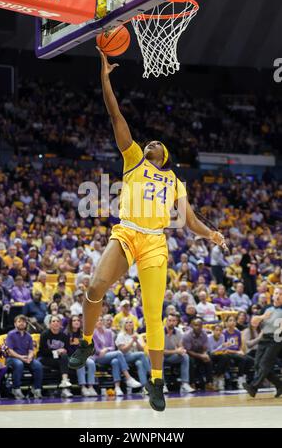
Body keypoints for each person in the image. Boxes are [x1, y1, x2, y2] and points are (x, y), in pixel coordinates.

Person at [69, 49, 228, 412]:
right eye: (150, 141)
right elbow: (115, 114)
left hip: (155, 243)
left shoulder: (174, 180)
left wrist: (211, 234)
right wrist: (105, 77)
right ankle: (86, 340)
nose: (152, 142)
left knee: (153, 313)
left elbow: (188, 220)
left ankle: (156, 384)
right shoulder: (134, 158)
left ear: (166, 155)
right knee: (95, 286)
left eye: (158, 143)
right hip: (127, 232)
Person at [243, 288, 282, 398]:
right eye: (276, 293)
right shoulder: (266, 308)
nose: (278, 296)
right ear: (273, 295)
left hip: (277, 339)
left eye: (281, 294)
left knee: (264, 364)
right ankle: (280, 385)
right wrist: (262, 317)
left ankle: (253, 387)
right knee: (257, 365)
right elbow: (253, 323)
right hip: (264, 338)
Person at [93, 316, 141, 396]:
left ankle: (117, 387)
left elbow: (112, 346)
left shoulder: (109, 332)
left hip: (109, 354)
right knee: (119, 353)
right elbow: (95, 350)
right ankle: (128, 378)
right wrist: (102, 351)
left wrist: (106, 349)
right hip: (99, 357)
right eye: (97, 320)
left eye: (101, 320)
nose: (100, 322)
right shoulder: (92, 333)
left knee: (115, 361)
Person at [6, 315, 43, 399]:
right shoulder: (11, 334)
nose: (22, 323)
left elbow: (31, 350)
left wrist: (29, 357)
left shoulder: (29, 336)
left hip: (25, 358)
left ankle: (37, 389)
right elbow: (9, 351)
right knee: (19, 364)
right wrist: (21, 357)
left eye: (23, 321)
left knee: (38, 365)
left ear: (26, 324)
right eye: (19, 321)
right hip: (12, 358)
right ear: (15, 324)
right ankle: (16, 389)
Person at [38, 316, 73, 398]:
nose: (56, 323)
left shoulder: (64, 336)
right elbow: (43, 351)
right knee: (64, 362)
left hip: (60, 359)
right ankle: (65, 387)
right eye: (53, 321)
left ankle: (64, 383)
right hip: (46, 358)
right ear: (50, 324)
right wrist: (56, 351)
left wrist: (64, 351)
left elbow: (68, 350)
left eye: (57, 321)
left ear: (60, 324)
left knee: (64, 358)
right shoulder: (44, 335)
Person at [66, 315, 97, 397]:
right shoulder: (66, 334)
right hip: (71, 356)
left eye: (78, 320)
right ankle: (83, 387)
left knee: (91, 363)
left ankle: (91, 386)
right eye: (74, 320)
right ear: (70, 323)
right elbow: (66, 349)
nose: (76, 322)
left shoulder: (84, 334)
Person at [115, 317, 150, 388]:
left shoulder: (136, 334)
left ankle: (145, 386)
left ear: (133, 324)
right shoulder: (121, 335)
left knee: (139, 363)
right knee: (142, 355)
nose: (129, 324)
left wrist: (136, 341)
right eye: (127, 322)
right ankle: (151, 374)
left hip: (135, 356)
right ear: (124, 325)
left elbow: (141, 349)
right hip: (124, 357)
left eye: (131, 322)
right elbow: (123, 350)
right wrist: (132, 341)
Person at [163, 314, 194, 394]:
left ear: (176, 322)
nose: (171, 323)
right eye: (169, 321)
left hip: (172, 357)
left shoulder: (179, 332)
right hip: (161, 356)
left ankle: (185, 383)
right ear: (166, 322)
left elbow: (181, 346)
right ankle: (162, 385)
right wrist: (176, 351)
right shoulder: (160, 332)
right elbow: (160, 351)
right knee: (159, 358)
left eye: (174, 321)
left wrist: (182, 350)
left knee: (185, 356)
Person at [183, 318, 215, 391]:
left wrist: (204, 354)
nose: (198, 327)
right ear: (192, 326)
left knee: (209, 360)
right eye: (196, 325)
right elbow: (188, 350)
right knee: (191, 361)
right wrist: (201, 356)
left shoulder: (204, 334)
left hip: (200, 352)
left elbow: (205, 347)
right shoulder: (187, 335)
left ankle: (209, 383)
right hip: (190, 354)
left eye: (200, 325)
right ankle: (192, 383)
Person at [223, 316, 254, 389]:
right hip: (228, 353)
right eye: (230, 320)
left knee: (251, 360)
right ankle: (240, 379)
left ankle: (244, 376)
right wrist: (237, 352)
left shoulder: (238, 332)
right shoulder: (224, 333)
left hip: (236, 352)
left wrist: (240, 351)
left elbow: (239, 345)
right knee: (242, 359)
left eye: (234, 320)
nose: (232, 322)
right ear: (226, 323)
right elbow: (224, 348)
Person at [208, 324, 230, 391]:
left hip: (218, 354)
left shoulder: (222, 337)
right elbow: (212, 351)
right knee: (212, 357)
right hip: (210, 354)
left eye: (220, 330)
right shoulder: (209, 337)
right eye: (216, 330)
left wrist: (226, 347)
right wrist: (221, 346)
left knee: (226, 357)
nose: (218, 332)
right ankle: (215, 378)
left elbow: (222, 349)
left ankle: (219, 376)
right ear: (213, 331)